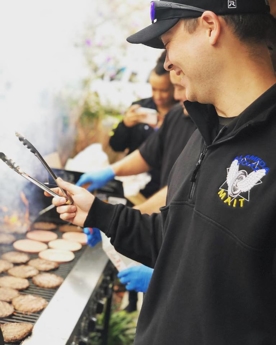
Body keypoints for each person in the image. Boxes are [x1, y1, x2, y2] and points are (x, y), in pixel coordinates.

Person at [48, 1, 276, 344]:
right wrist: (98, 214)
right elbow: (176, 236)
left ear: (210, 26)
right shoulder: (203, 134)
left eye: (168, 41)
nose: (167, 61)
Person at [83, 70, 197, 312]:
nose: (176, 96)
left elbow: (178, 191)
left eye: (178, 87)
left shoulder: (207, 127)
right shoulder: (178, 114)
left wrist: (115, 219)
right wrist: (109, 171)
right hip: (161, 226)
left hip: (182, 245)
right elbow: (146, 154)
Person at [109, 50, 177, 198]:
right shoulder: (139, 107)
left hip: (162, 187)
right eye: (154, 89)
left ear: (174, 86)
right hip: (132, 183)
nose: (158, 96)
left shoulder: (181, 113)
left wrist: (164, 128)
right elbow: (116, 145)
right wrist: (126, 125)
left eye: (164, 90)